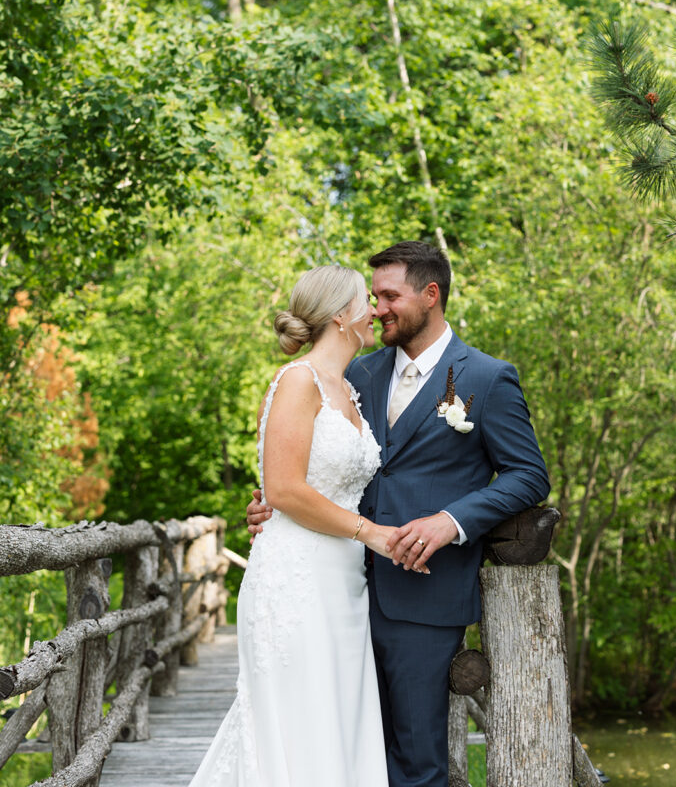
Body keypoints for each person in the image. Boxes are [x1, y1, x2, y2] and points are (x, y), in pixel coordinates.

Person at [249, 241, 551, 787]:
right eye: (373, 297)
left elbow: (529, 475)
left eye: (390, 296)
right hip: (332, 592)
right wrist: (274, 504)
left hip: (423, 597)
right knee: (343, 752)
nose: (378, 307)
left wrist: (452, 521)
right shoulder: (353, 375)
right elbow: (313, 467)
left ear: (430, 295)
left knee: (416, 760)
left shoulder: (487, 378)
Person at [189, 264, 423, 787]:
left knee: (334, 725)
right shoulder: (298, 382)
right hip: (294, 582)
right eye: (367, 301)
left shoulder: (350, 388)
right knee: (294, 728)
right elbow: (285, 489)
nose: (376, 310)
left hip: (343, 585)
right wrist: (372, 533)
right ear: (342, 316)